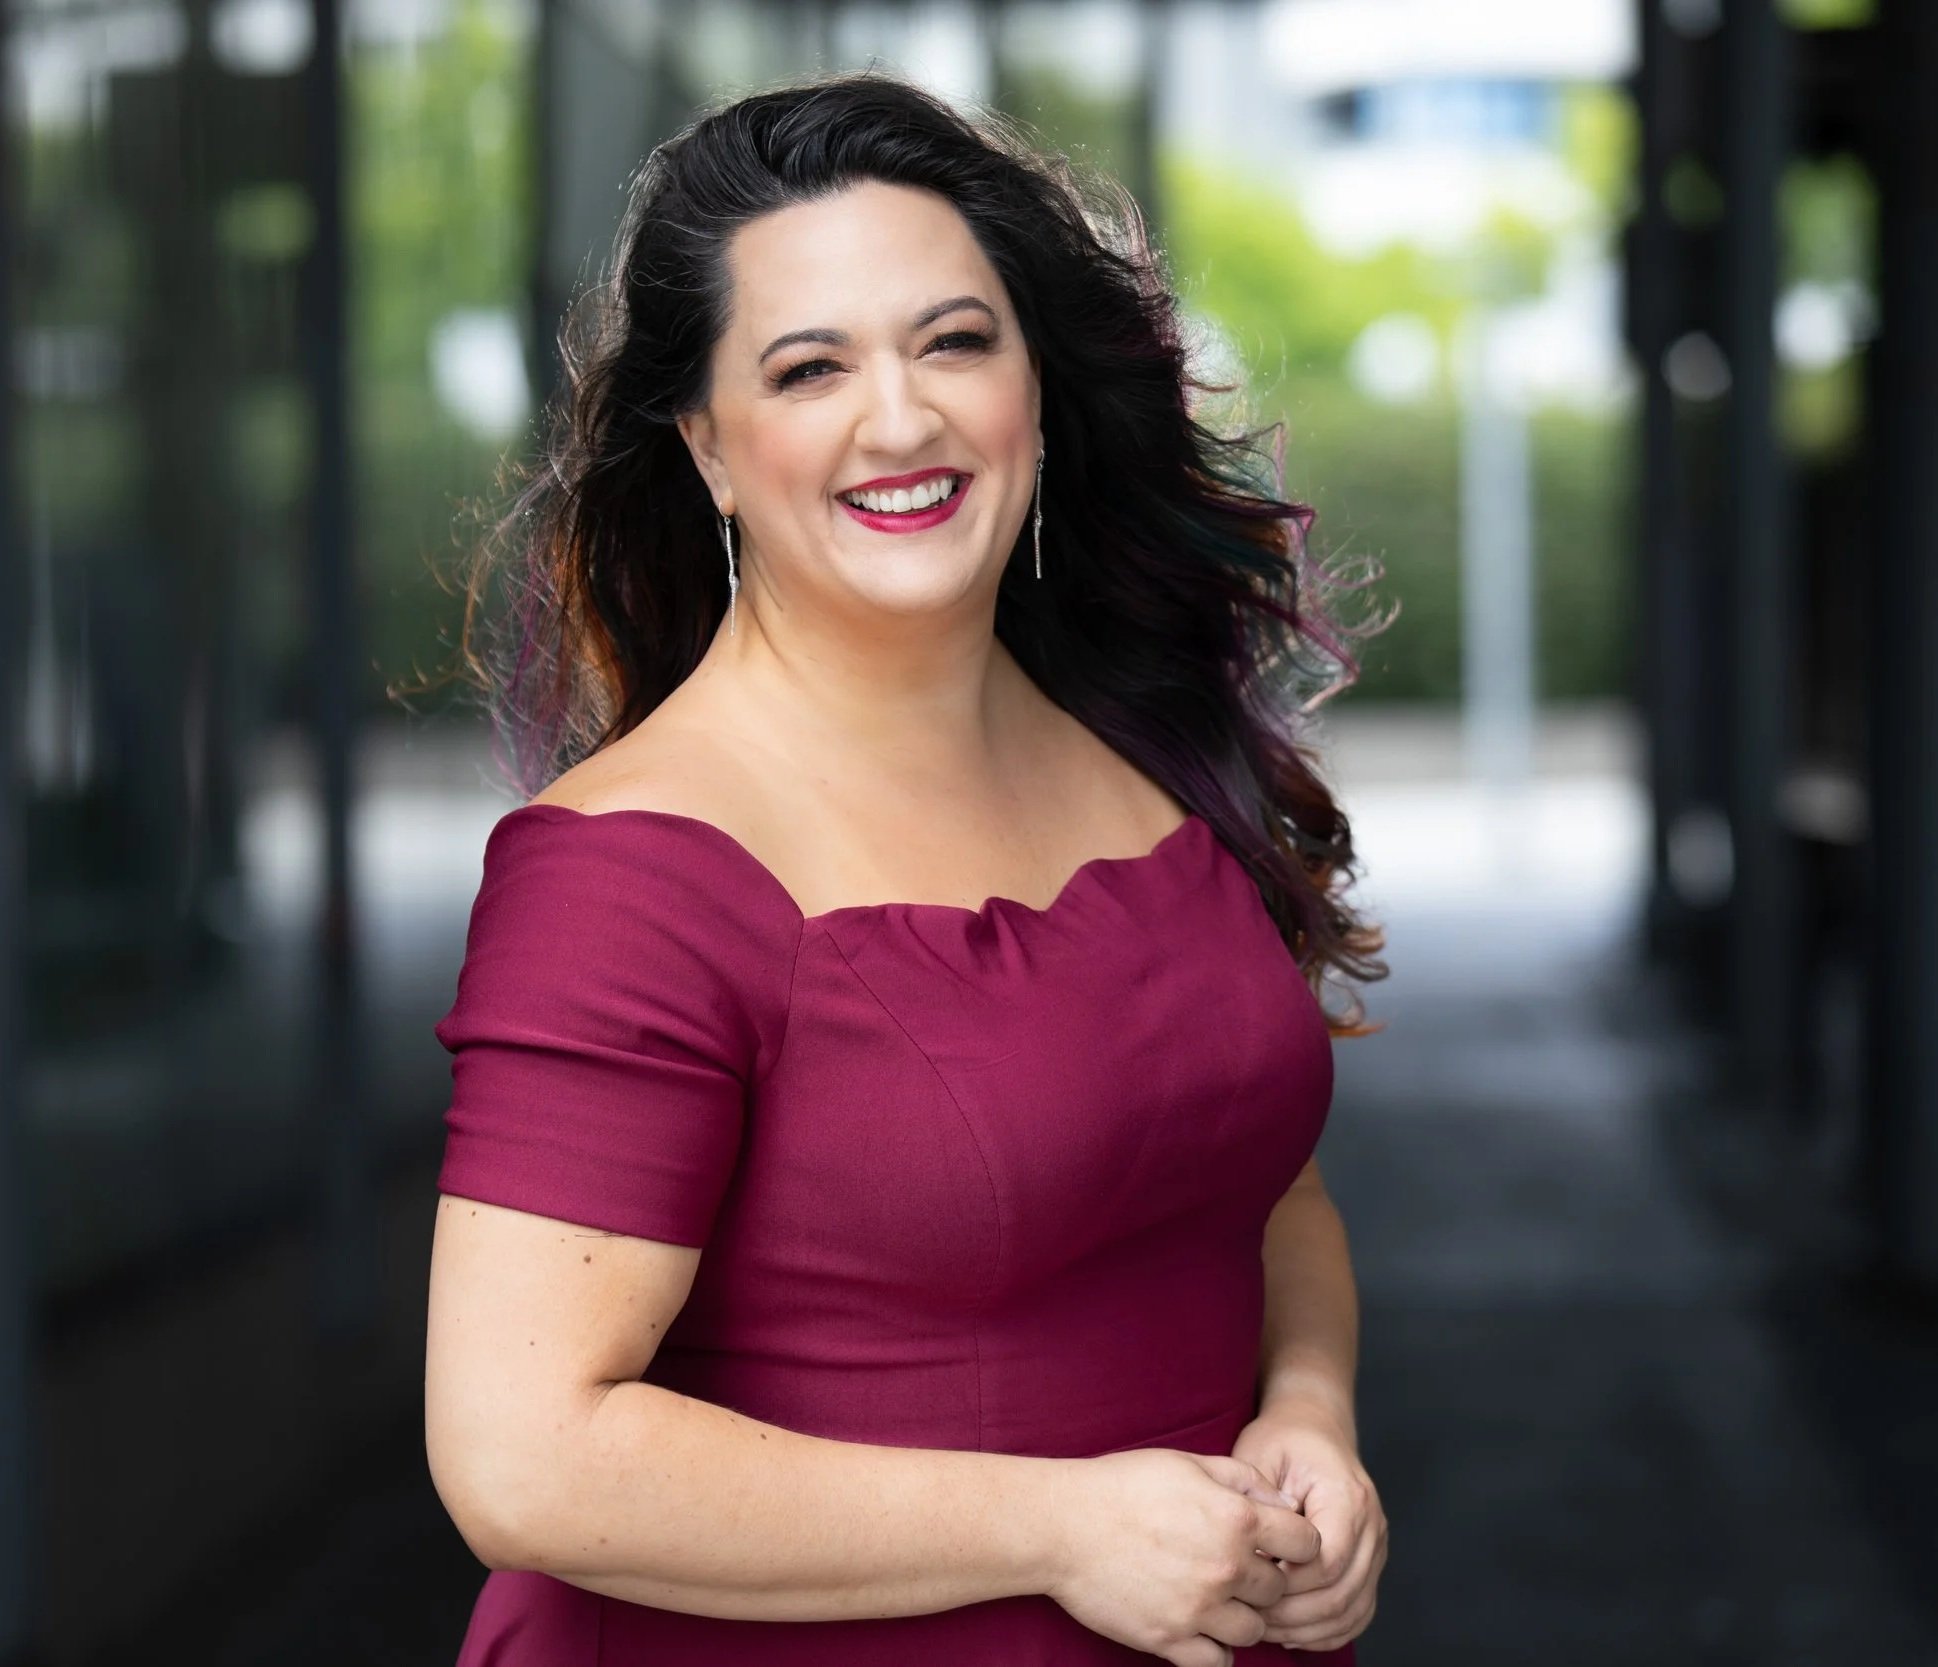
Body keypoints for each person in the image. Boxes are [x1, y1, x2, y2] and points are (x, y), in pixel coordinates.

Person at [422, 70, 1390, 1667]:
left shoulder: (1141, 747)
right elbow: (523, 1458)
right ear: (710, 450)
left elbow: (1256, 1187)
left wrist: (1309, 1409)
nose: (901, 418)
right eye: (809, 368)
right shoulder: (628, 878)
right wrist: (1057, 1523)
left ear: (1035, 387)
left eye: (954, 341)